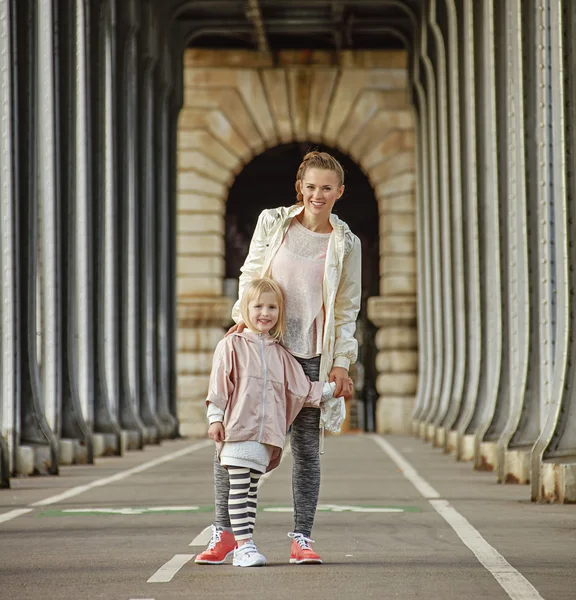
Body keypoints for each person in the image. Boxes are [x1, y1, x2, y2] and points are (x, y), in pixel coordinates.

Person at [195, 150, 362, 566]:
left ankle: (301, 538)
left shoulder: (346, 245)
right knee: (232, 440)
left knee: (306, 450)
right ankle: (226, 533)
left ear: (339, 192)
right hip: (262, 346)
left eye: (326, 188)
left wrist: (341, 361)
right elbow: (252, 275)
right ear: (299, 189)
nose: (317, 195)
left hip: (310, 355)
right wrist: (243, 323)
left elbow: (346, 308)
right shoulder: (273, 223)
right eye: (310, 187)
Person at [200, 277, 340, 567]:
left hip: (265, 439)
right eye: (258, 306)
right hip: (237, 430)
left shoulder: (281, 354)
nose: (265, 313)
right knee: (239, 487)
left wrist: (332, 388)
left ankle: (242, 544)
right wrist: (215, 418)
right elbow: (218, 388)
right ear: (245, 309)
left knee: (250, 490)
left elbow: (303, 390)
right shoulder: (232, 346)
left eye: (272, 307)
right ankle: (244, 545)